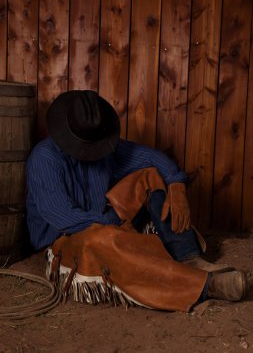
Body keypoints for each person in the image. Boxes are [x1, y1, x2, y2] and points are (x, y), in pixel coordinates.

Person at [26, 90, 251, 311]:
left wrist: (177, 184)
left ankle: (188, 257)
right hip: (63, 238)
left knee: (151, 175)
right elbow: (64, 217)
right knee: (104, 238)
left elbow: (153, 158)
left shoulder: (102, 145)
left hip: (104, 220)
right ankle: (206, 286)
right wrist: (115, 223)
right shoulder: (44, 158)